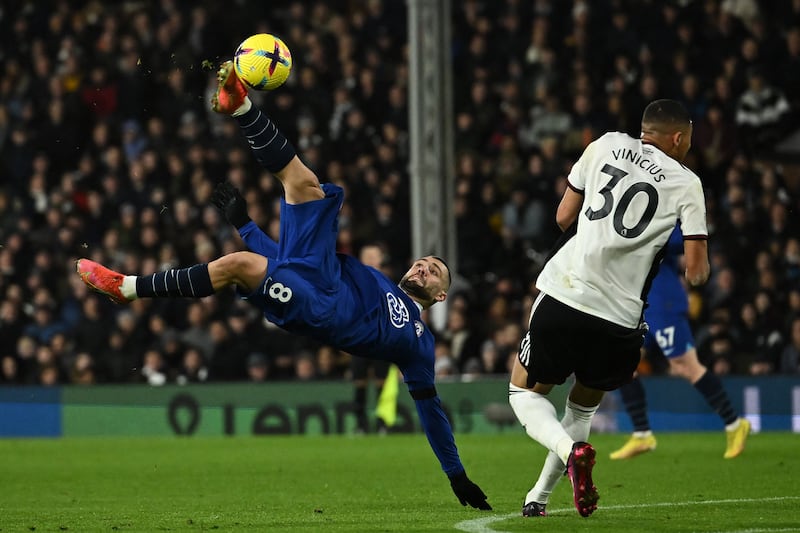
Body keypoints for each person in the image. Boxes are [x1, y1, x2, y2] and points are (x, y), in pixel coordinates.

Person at [75, 60, 491, 511]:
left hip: (323, 311)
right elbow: (287, 265)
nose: (425, 269)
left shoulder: (419, 343)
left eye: (435, 273)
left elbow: (430, 412)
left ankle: (128, 287)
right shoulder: (373, 278)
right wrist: (246, 224)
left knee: (238, 265)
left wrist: (456, 474)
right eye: (424, 262)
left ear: (441, 295)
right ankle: (241, 107)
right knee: (307, 185)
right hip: (322, 273)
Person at [508, 99, 710, 518]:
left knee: (522, 392)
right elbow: (696, 274)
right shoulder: (688, 183)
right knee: (582, 406)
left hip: (566, 294)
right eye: (689, 139)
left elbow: (564, 216)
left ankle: (570, 452)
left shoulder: (604, 145)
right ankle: (538, 498)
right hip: (619, 319)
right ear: (677, 138)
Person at [610, 225, 750, 460]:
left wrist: (644, 237)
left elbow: (683, 240)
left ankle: (735, 424)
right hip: (639, 305)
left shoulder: (661, 208)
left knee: (687, 366)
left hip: (664, 305)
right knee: (623, 366)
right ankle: (642, 433)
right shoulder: (628, 210)